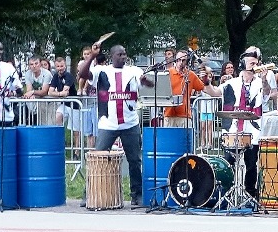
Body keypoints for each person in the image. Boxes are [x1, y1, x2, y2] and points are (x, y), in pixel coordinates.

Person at [78, 44, 154, 206]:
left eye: (125, 54)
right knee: (97, 159)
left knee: (134, 160)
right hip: (107, 123)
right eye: (119, 54)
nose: (123, 57)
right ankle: (89, 193)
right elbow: (83, 74)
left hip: (130, 123)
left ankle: (137, 194)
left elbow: (151, 85)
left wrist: (146, 81)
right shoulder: (101, 70)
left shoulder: (134, 71)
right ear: (112, 56)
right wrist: (92, 56)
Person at [201, 49, 271, 197]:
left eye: (256, 62)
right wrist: (206, 81)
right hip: (232, 130)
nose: (255, 64)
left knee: (251, 165)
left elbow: (266, 93)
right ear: (242, 64)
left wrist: (264, 79)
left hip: (253, 131)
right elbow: (213, 92)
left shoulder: (260, 82)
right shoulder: (231, 83)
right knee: (229, 162)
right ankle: (227, 192)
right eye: (251, 62)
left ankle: (251, 194)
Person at [163, 49, 205, 128]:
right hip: (169, 114)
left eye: (183, 60)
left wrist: (204, 77)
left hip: (184, 115)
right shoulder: (167, 73)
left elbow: (201, 87)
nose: (180, 62)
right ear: (175, 60)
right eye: (178, 60)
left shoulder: (190, 74)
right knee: (169, 139)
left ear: (187, 61)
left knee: (184, 139)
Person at [49, 57, 81, 155]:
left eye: (62, 66)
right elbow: (50, 92)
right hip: (64, 103)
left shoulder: (68, 76)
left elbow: (65, 92)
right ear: (55, 67)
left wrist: (58, 93)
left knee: (76, 130)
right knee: (58, 116)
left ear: (65, 66)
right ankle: (60, 145)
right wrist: (59, 94)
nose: (60, 68)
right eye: (58, 66)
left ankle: (77, 151)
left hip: (74, 105)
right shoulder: (55, 76)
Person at [22, 55, 53, 125]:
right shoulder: (28, 74)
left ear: (40, 64)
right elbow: (28, 89)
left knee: (50, 123)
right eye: (31, 64)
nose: (34, 66)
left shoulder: (47, 73)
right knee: (40, 124)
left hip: (50, 102)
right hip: (39, 102)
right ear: (29, 66)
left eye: (36, 63)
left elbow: (44, 91)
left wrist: (32, 92)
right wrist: (30, 93)